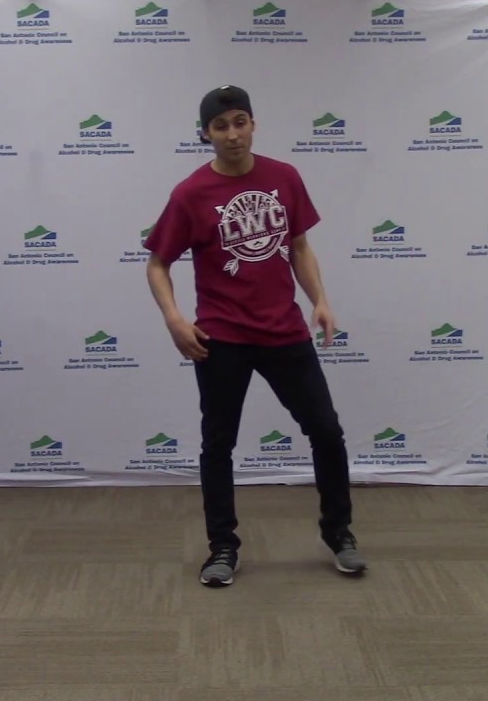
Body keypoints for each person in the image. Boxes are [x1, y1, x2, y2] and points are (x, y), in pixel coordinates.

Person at [143, 84, 367, 588]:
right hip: (221, 337)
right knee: (218, 444)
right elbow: (157, 263)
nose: (233, 134)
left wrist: (320, 300)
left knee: (326, 432)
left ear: (253, 124)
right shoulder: (190, 194)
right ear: (206, 133)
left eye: (240, 122)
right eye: (220, 126)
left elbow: (299, 247)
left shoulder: (283, 177)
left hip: (284, 330)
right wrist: (175, 319)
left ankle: (339, 533)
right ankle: (222, 547)